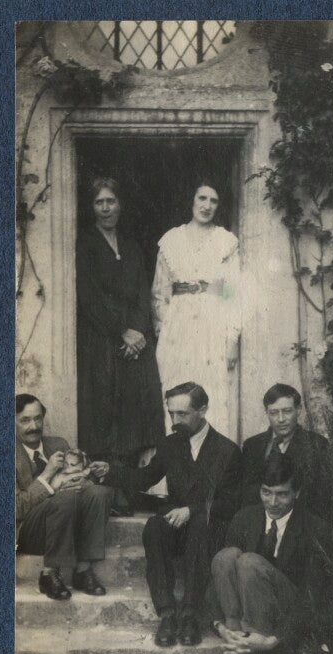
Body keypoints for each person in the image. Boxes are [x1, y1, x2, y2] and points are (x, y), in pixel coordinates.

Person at [107, 382, 242, 648]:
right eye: (171, 414)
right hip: (177, 528)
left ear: (203, 410)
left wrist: (193, 510)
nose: (175, 421)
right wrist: (107, 472)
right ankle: (167, 614)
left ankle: (191, 614)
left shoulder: (227, 451)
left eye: (183, 414)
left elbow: (232, 503)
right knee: (154, 527)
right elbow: (145, 477)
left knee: (201, 526)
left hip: (209, 530)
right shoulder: (170, 444)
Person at [211, 453, 326, 654]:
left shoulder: (314, 529)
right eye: (266, 492)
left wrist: (273, 639)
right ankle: (239, 650)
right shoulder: (244, 518)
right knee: (226, 556)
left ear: (297, 492)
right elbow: (219, 580)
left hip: (284, 610)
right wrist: (221, 627)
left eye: (282, 494)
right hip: (243, 613)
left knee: (249, 562)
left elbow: (312, 597)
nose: (272, 502)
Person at [76, 177, 164, 463]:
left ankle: (132, 481)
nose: (105, 208)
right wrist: (121, 331)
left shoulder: (131, 245)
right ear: (91, 207)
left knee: (135, 407)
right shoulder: (85, 243)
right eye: (99, 202)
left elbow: (142, 290)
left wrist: (138, 330)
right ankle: (108, 484)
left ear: (120, 204)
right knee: (104, 406)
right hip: (103, 337)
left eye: (110, 201)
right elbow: (88, 295)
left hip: (135, 340)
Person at [151, 181, 241, 437]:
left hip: (212, 324)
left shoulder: (225, 242)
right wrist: (164, 330)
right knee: (177, 391)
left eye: (213, 201)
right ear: (191, 201)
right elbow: (159, 292)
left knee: (211, 392)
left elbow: (233, 293)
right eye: (202, 198)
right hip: (177, 328)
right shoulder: (171, 240)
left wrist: (231, 338)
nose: (207, 205)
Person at [16, 394, 113, 600]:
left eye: (38, 418)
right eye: (24, 420)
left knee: (99, 493)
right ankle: (49, 573)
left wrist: (91, 474)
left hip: (66, 522)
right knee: (65, 499)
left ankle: (82, 570)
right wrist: (47, 476)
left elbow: (79, 481)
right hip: (29, 530)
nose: (33, 426)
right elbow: (13, 509)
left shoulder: (58, 444)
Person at [242, 383, 331, 519]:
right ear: (266, 412)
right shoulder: (252, 446)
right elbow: (247, 495)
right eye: (274, 413)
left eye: (287, 411)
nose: (281, 419)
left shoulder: (317, 446)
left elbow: (321, 499)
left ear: (299, 409)